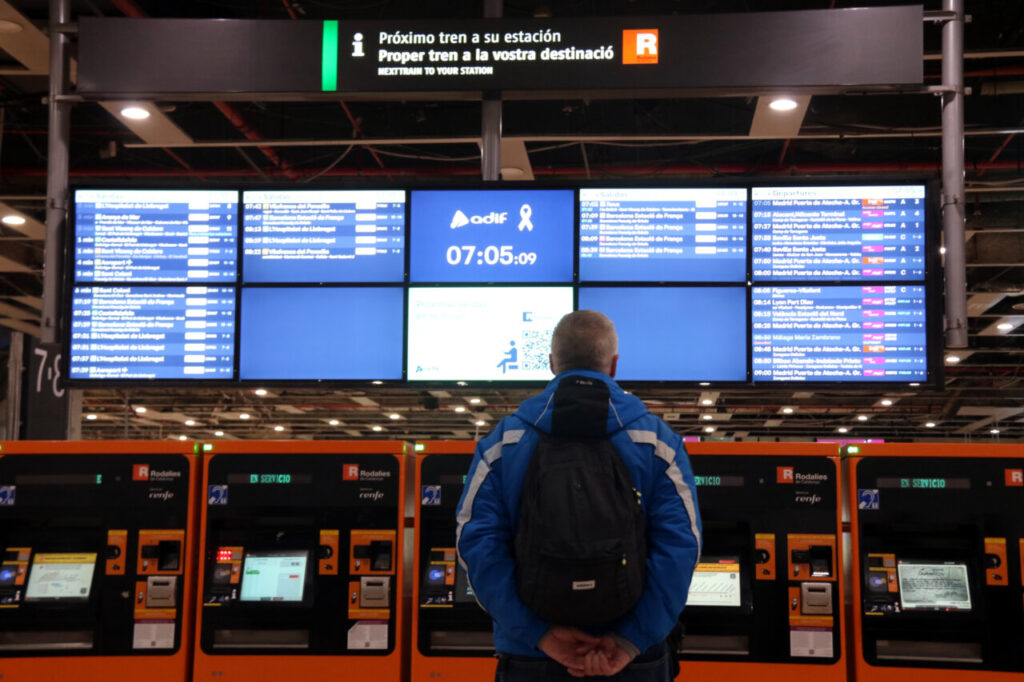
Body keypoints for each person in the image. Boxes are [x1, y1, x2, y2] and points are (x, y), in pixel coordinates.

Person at [456, 310, 702, 680]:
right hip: (633, 660)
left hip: (533, 657)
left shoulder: (502, 443)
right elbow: (682, 548)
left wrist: (540, 635)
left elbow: (475, 544)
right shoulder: (658, 442)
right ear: (614, 364)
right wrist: (630, 641)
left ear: (552, 363)